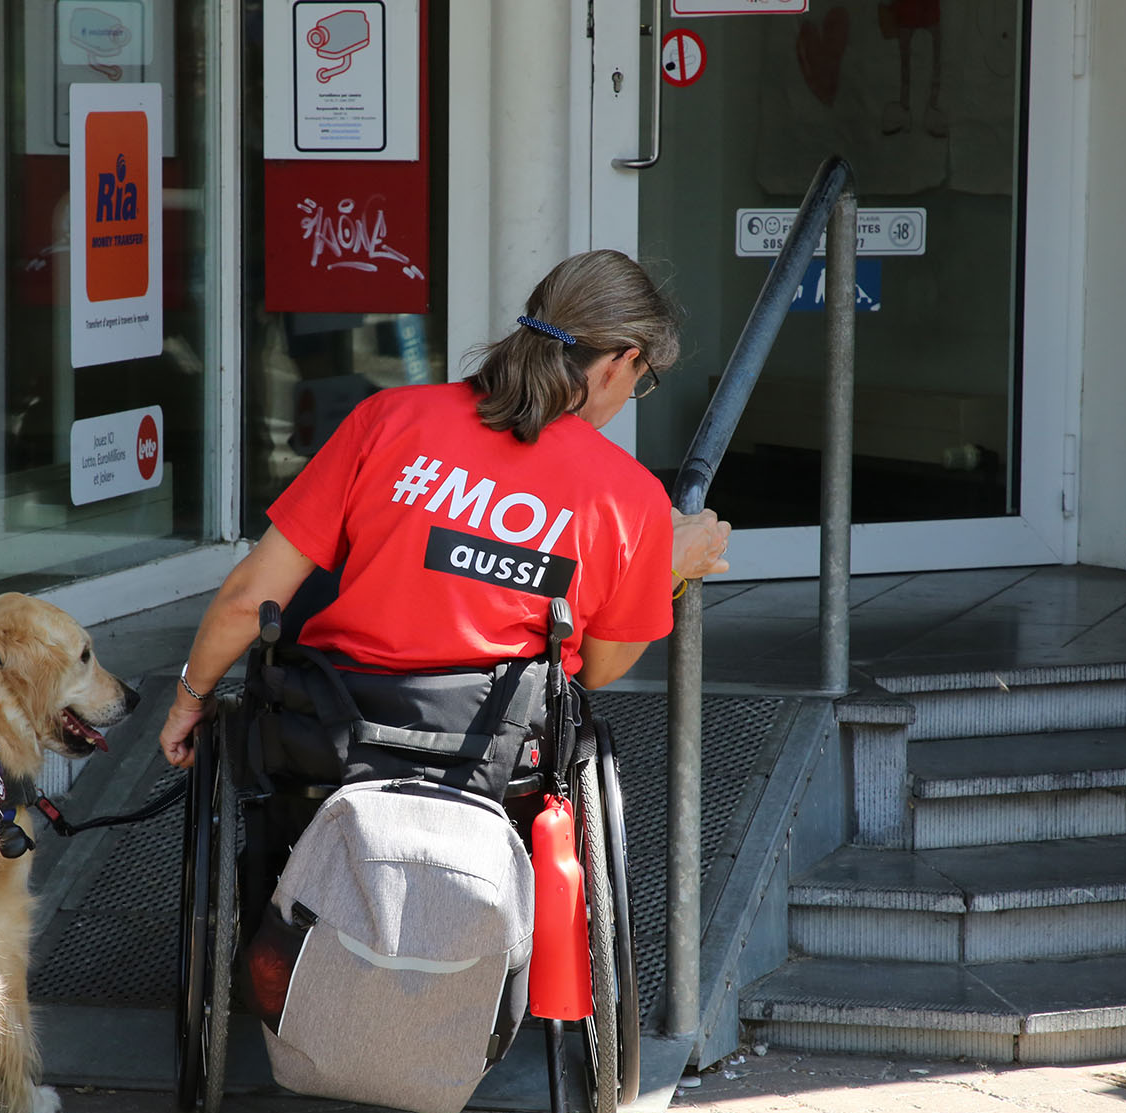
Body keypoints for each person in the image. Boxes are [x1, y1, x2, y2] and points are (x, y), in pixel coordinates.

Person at [161, 249, 732, 769]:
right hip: (494, 764)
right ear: (619, 361)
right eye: (641, 379)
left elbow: (247, 600)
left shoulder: (387, 419)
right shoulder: (628, 495)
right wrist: (669, 567)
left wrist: (191, 700)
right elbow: (599, 669)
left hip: (336, 744)